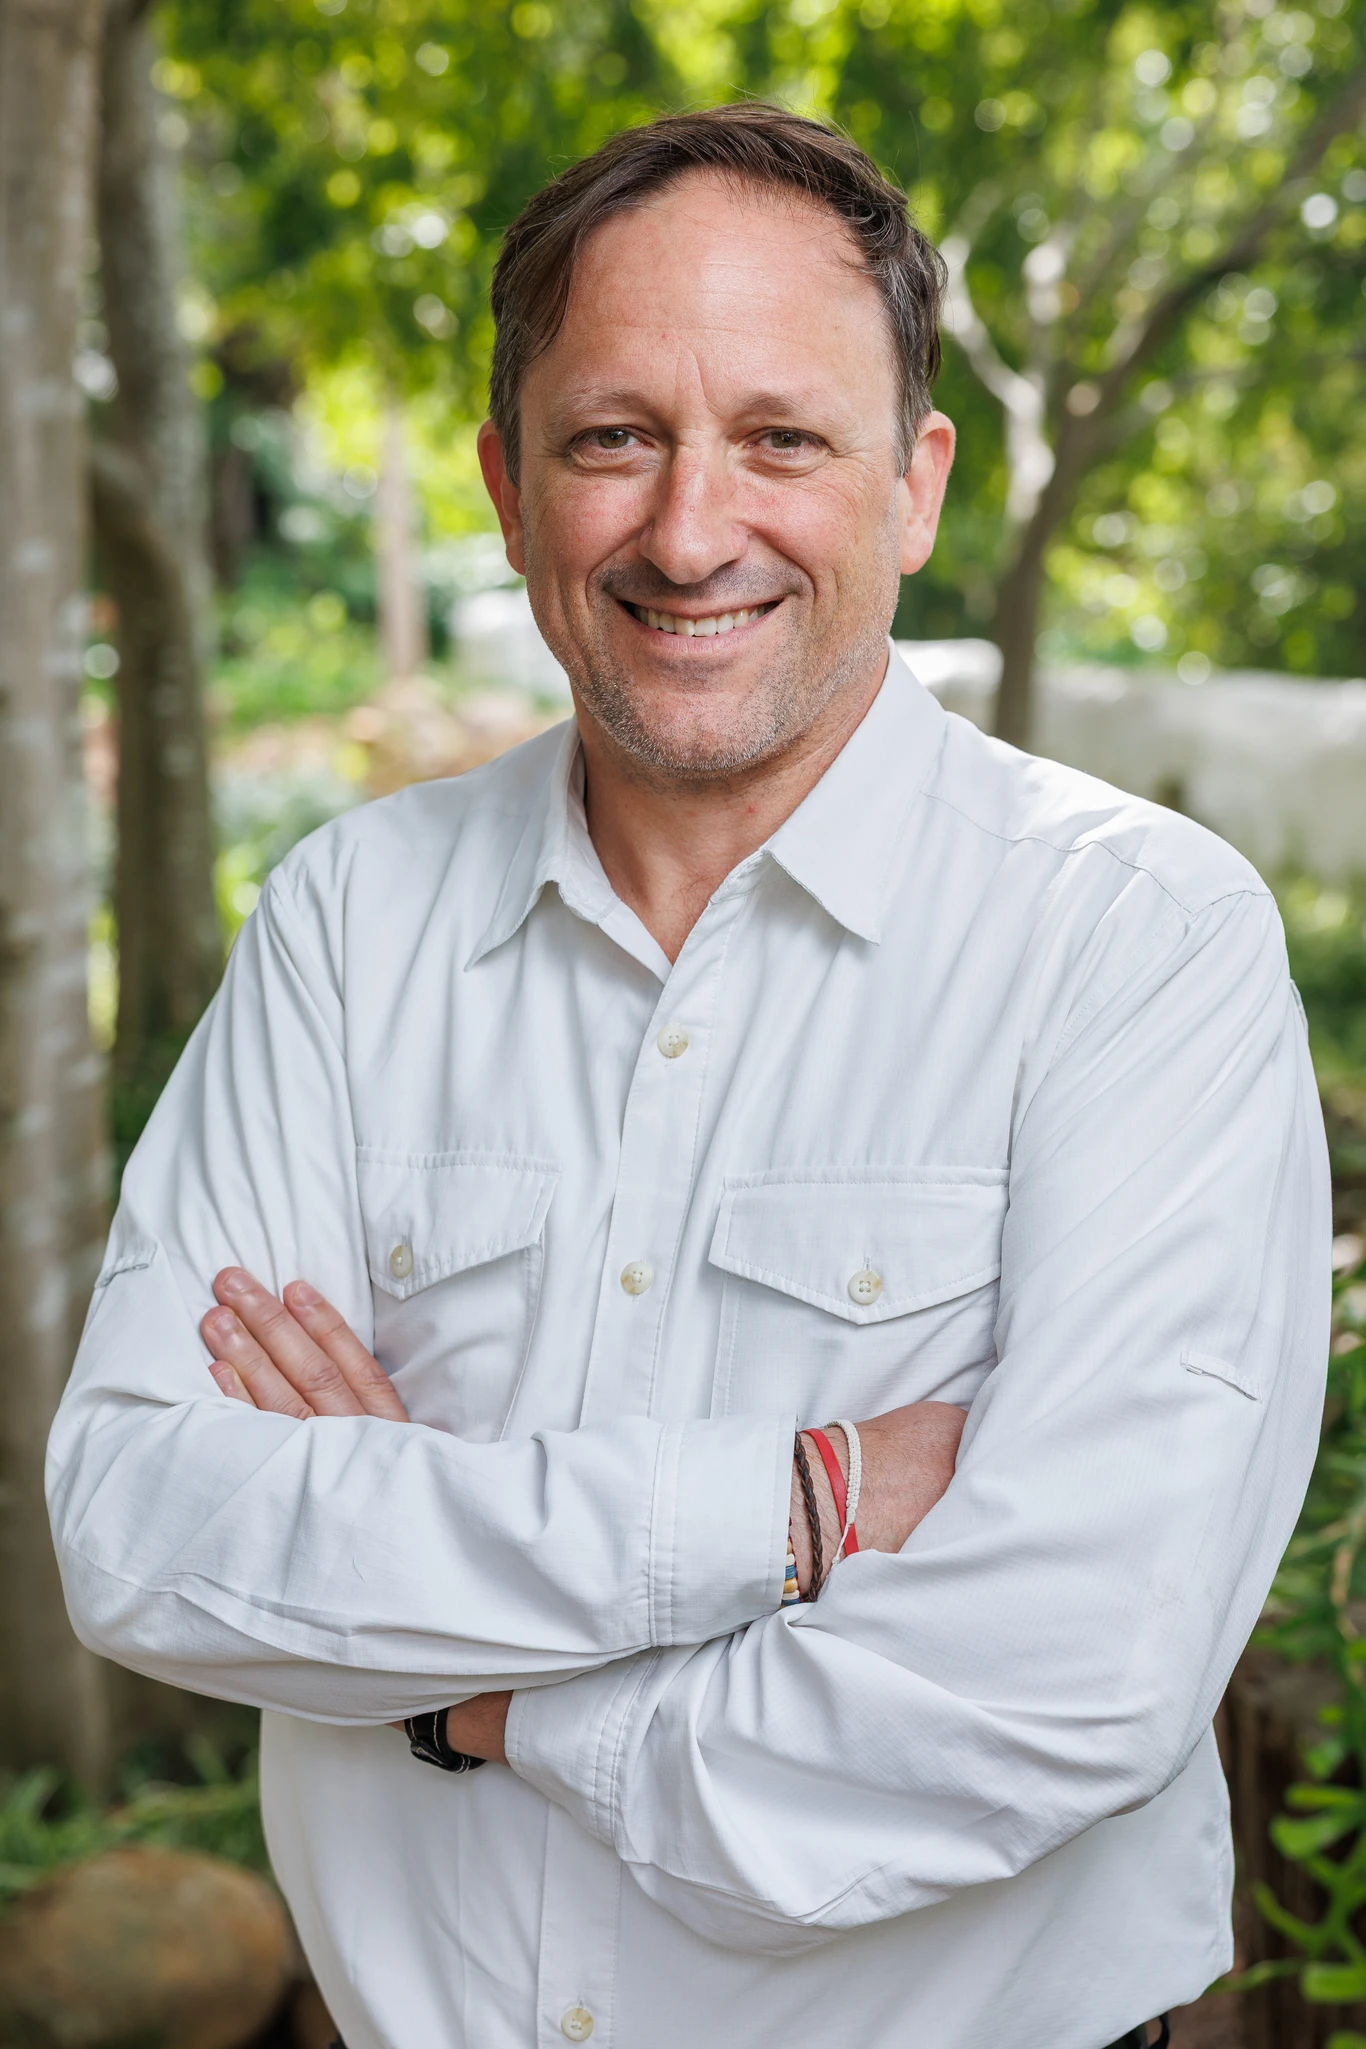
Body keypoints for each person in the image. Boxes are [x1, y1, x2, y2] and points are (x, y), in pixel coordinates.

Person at [48, 104, 1329, 2049]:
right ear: (506, 484)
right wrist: (798, 1505)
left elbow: (1065, 1676)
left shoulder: (1132, 940)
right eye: (612, 438)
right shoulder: (349, 922)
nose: (688, 530)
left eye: (780, 438)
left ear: (913, 486)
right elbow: (150, 1529)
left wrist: (471, 1691)